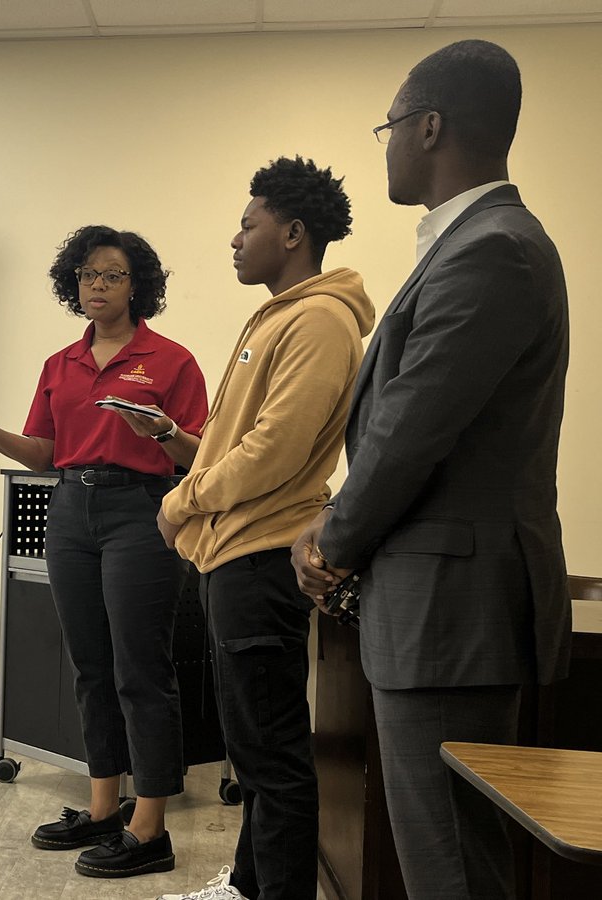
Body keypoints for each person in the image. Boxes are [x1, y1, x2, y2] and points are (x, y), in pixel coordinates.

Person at [291, 40, 571, 900]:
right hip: (440, 610)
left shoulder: (492, 249)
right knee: (449, 860)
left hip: (449, 618)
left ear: (429, 126)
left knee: (449, 871)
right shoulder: (477, 243)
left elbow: (411, 431)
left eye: (390, 127)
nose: (386, 146)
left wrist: (330, 540)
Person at [0, 225, 208, 879]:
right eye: (88, 274)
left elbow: (200, 454)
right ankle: (102, 809)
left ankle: (150, 828)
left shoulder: (171, 360)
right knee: (90, 667)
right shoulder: (61, 363)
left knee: (140, 670)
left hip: (140, 511)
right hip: (69, 510)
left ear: (137, 285)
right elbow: (43, 453)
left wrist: (163, 431)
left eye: (112, 274)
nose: (98, 285)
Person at [152, 158, 372, 900]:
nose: (236, 239)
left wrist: (182, 501)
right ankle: (247, 886)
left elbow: (274, 449)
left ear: (294, 232)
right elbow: (239, 440)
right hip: (234, 555)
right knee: (254, 752)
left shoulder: (318, 320)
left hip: (261, 558)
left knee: (272, 759)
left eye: (249, 225)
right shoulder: (282, 314)